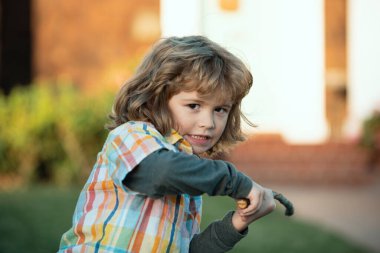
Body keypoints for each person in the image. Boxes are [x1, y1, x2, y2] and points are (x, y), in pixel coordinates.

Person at [58, 35, 276, 253]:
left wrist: (237, 222)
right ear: (156, 98)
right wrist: (233, 181)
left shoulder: (189, 173)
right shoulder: (132, 135)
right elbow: (161, 171)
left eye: (220, 109)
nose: (208, 123)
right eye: (193, 105)